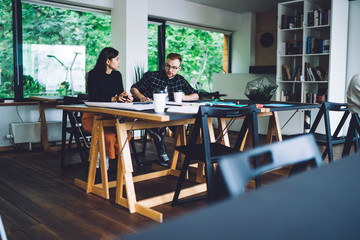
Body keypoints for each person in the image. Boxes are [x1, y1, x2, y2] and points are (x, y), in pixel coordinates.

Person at [131, 53, 199, 166]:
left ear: (179, 68)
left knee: (182, 128)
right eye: (167, 66)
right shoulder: (152, 76)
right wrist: (142, 97)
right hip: (151, 111)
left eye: (174, 67)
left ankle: (185, 156)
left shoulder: (180, 80)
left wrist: (183, 98)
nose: (169, 69)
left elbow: (195, 95)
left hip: (171, 113)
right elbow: (134, 88)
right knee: (161, 125)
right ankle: (163, 155)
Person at [82, 47, 133, 171]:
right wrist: (114, 99)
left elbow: (120, 93)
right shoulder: (93, 75)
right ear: (107, 61)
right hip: (93, 116)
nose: (119, 62)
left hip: (111, 115)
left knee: (126, 133)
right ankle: (102, 161)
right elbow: (93, 98)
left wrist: (126, 97)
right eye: (117, 59)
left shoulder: (117, 75)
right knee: (109, 136)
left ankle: (113, 160)